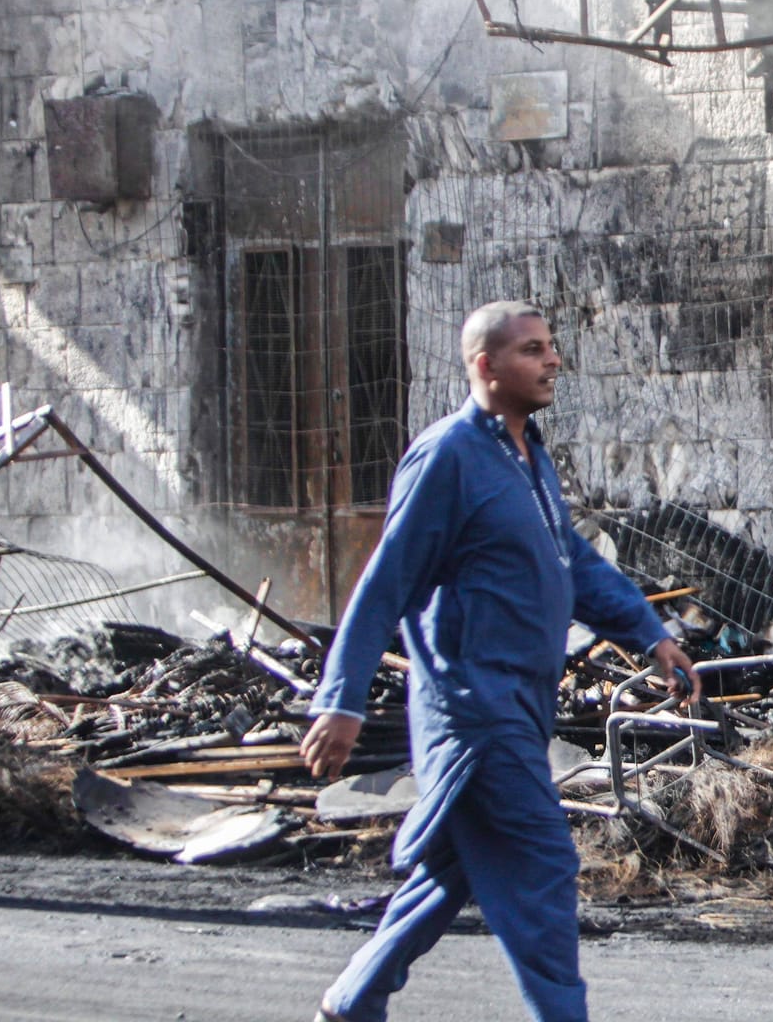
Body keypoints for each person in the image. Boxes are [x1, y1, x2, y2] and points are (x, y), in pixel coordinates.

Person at [299, 300, 701, 1022]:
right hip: (474, 707)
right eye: (531, 350)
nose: (552, 361)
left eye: (550, 347)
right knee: (542, 868)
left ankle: (352, 1000)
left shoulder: (527, 455)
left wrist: (649, 632)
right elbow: (386, 580)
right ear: (485, 366)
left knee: (454, 866)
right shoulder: (449, 456)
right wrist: (342, 698)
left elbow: (571, 561)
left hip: (520, 701)